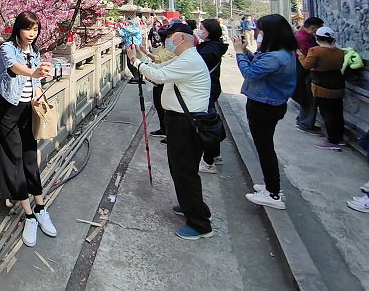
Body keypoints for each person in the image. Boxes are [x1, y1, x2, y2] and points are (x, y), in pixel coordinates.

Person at [127, 22, 213, 240]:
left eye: (169, 36)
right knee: (182, 169)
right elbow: (159, 71)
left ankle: (199, 224)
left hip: (186, 122)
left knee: (184, 170)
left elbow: (159, 76)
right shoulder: (184, 59)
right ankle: (193, 207)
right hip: (180, 121)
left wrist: (135, 62)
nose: (167, 40)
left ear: (181, 38)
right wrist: (140, 58)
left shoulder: (190, 60)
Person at [0, 11, 56, 247]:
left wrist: (39, 96)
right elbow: (14, 68)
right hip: (9, 111)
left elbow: (36, 82)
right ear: (18, 28)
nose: (32, 34)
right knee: (15, 159)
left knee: (30, 157)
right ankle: (28, 214)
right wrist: (34, 72)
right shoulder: (7, 48)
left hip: (28, 110)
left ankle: (41, 207)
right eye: (28, 28)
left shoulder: (35, 52)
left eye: (36, 29)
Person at [234, 14, 297, 210]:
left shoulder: (275, 56)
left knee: (265, 148)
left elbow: (250, 73)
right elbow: (258, 66)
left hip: (264, 106)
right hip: (270, 103)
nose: (257, 33)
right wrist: (246, 51)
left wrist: (238, 53)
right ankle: (271, 186)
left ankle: (273, 194)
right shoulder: (282, 53)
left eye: (260, 30)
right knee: (265, 147)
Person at [297, 26, 346, 150]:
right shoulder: (340, 52)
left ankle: (332, 140)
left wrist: (300, 55)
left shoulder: (315, 50)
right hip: (337, 84)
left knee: (327, 113)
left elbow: (307, 65)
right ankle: (339, 138)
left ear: (317, 37)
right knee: (337, 113)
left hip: (322, 85)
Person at [196, 19, 229, 173]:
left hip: (206, 89)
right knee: (210, 121)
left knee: (206, 125)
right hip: (211, 88)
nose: (199, 30)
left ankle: (208, 161)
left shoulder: (209, 50)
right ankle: (215, 154)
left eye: (201, 28)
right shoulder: (213, 46)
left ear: (209, 31)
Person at [293, 16, 324, 134]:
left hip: (303, 70)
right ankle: (305, 124)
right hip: (305, 71)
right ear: (313, 28)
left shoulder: (303, 35)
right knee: (308, 97)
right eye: (319, 28)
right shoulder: (302, 38)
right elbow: (308, 58)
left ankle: (303, 120)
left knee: (307, 97)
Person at [117, 17, 144, 84]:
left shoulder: (136, 30)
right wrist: (117, 29)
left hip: (135, 49)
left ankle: (137, 77)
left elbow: (130, 30)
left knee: (134, 63)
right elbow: (123, 34)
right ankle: (135, 76)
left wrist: (122, 26)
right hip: (129, 49)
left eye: (130, 24)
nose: (129, 25)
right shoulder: (129, 31)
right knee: (129, 64)